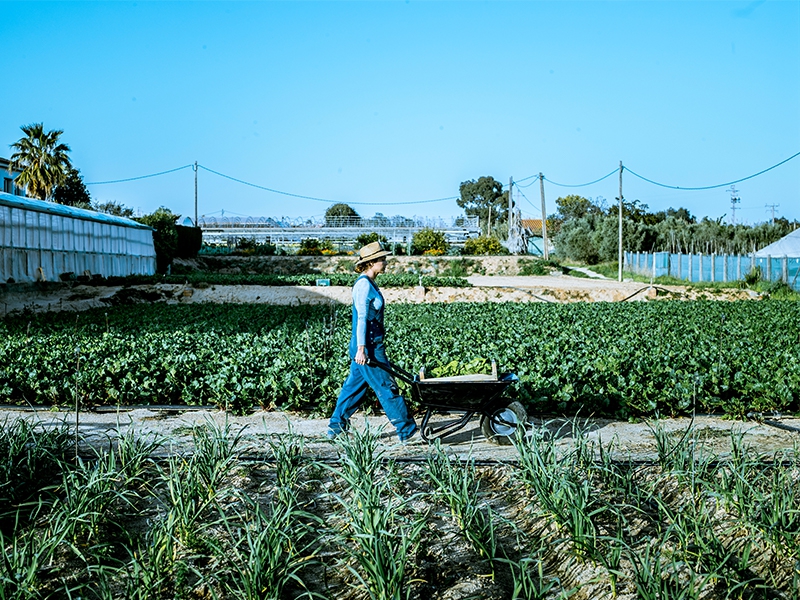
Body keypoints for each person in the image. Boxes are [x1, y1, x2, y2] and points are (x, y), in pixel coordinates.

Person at [327, 241, 419, 443]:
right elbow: (361, 319)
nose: (385, 263)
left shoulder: (370, 283)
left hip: (370, 344)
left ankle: (335, 427)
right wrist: (361, 349)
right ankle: (407, 431)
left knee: (354, 388)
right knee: (386, 386)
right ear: (371, 263)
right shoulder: (362, 285)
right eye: (382, 259)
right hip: (368, 346)